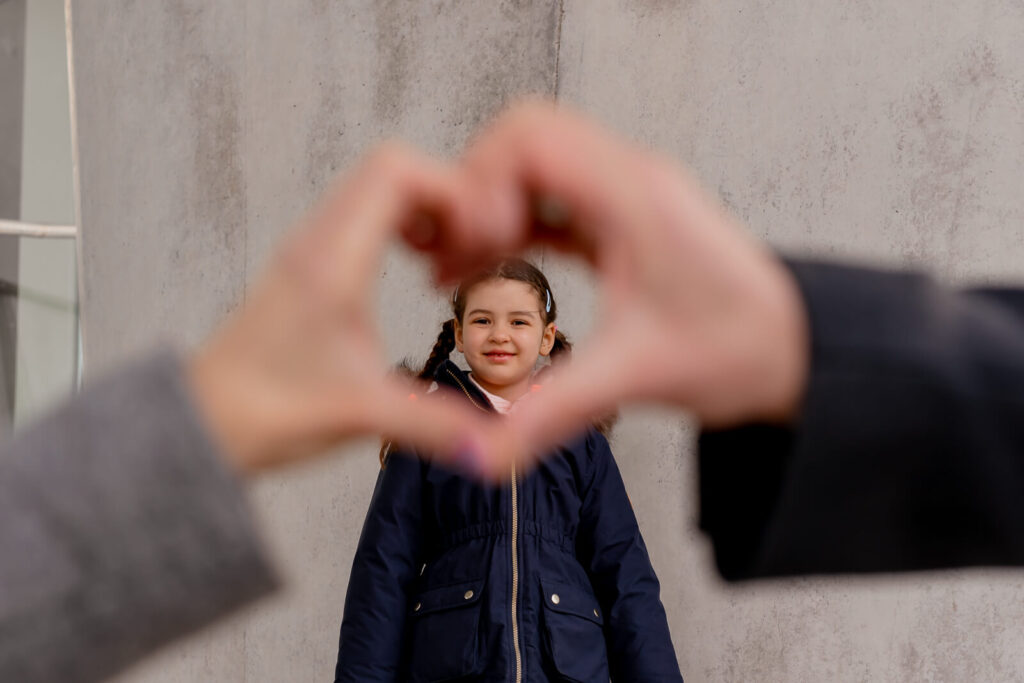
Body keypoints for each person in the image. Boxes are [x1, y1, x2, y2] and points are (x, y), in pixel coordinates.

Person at [334, 258, 682, 682]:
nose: (500, 334)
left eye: (519, 322)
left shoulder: (581, 443)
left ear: (545, 337)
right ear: (459, 334)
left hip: (566, 669)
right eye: (483, 320)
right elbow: (382, 575)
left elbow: (628, 580)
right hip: (454, 666)